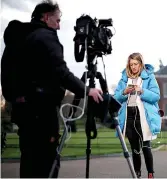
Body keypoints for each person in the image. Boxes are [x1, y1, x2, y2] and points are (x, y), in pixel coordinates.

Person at [2, 0, 103, 178]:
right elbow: (61, 72)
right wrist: (87, 91)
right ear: (46, 17)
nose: (58, 26)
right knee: (47, 164)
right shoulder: (45, 36)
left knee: (29, 162)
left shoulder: (17, 38)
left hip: (22, 111)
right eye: (57, 20)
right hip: (41, 112)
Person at [113, 52, 161, 178]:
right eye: (131, 64)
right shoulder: (124, 79)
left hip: (143, 117)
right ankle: (137, 174)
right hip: (129, 115)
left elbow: (156, 96)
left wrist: (142, 91)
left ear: (141, 64)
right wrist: (124, 91)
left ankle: (150, 174)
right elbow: (115, 98)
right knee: (134, 149)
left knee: (146, 147)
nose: (133, 67)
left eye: (136, 64)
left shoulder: (149, 77)